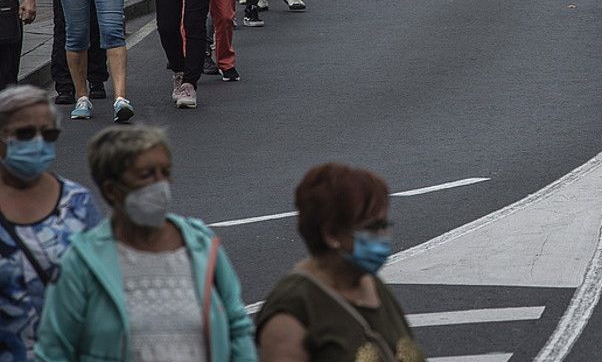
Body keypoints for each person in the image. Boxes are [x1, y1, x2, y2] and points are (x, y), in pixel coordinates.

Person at [34, 126, 255, 360]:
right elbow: (54, 351)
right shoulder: (82, 261)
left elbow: (236, 325)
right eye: (146, 174)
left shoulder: (201, 244)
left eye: (165, 172)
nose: (160, 184)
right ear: (112, 190)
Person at [256, 163, 424, 360]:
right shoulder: (292, 310)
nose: (383, 236)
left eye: (385, 225)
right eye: (372, 228)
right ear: (331, 234)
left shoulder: (371, 283)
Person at [0, 86, 102, 356]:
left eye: (48, 134)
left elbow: (101, 288)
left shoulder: (78, 203)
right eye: (24, 133)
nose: (37, 142)